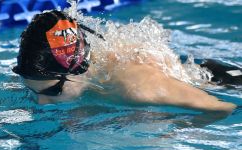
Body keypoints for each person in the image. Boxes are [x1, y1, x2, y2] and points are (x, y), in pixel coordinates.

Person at [13, 10, 240, 114]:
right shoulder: (75, 79)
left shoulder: (137, 89)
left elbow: (222, 108)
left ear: (79, 70)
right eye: (32, 91)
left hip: (219, 80)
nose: (40, 103)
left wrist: (175, 129)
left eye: (52, 92)